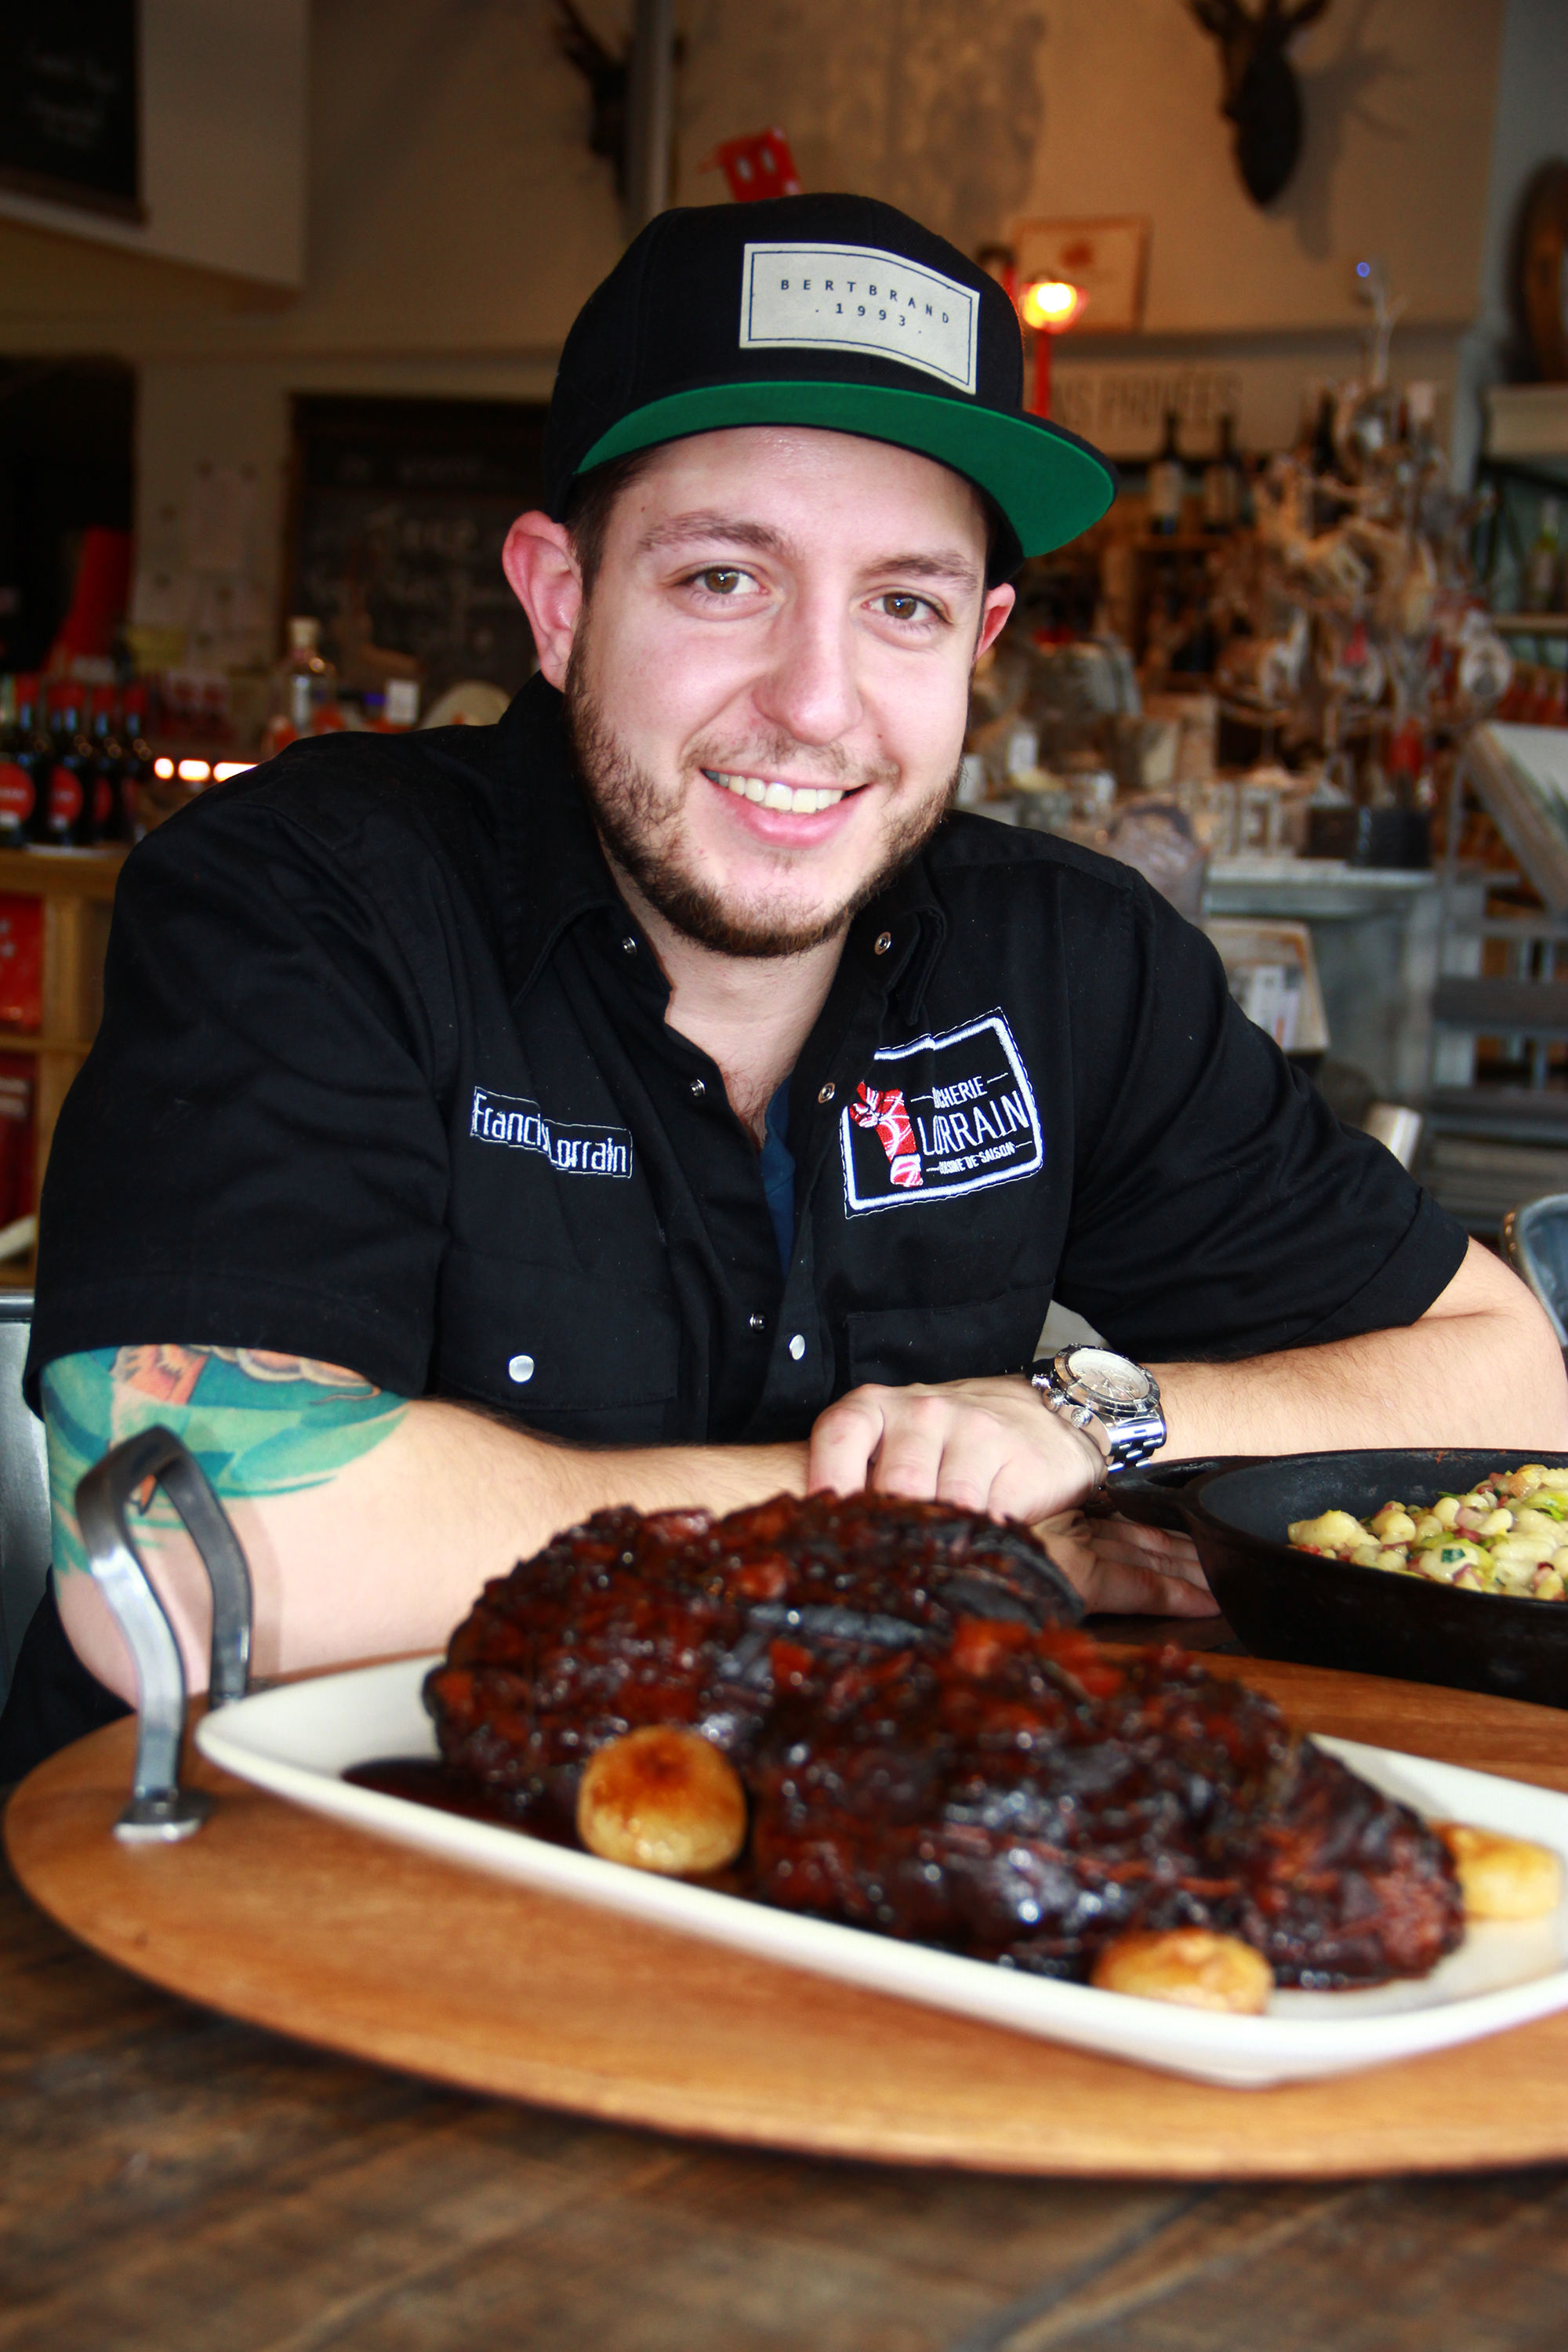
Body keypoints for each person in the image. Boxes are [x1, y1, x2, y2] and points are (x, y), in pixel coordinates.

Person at [4, 194, 1563, 1771]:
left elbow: (1511, 1385)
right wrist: (941, 1553)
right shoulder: (309, 896)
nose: (815, 702)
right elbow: (188, 1568)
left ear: (981, 644)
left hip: (802, 1926)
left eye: (903, 604)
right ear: (561, 601)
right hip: (247, 1922)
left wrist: (1087, 1426)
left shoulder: (1063, 965)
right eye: (721, 580)